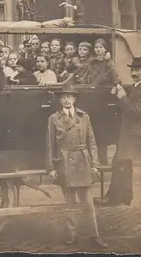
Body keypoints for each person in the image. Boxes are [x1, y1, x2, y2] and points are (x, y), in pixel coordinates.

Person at [46, 83, 107, 248]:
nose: (66, 99)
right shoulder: (53, 119)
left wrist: (95, 164)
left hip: (82, 163)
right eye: (63, 96)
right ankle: (71, 234)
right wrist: (51, 167)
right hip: (64, 163)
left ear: (74, 99)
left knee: (88, 203)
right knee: (70, 204)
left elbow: (92, 142)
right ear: (60, 100)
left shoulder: (84, 117)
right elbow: (49, 145)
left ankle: (94, 236)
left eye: (70, 96)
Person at [100, 57, 141, 206]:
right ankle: (125, 196)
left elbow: (136, 111)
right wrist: (118, 89)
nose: (134, 73)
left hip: (135, 135)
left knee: (120, 163)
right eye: (132, 70)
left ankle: (112, 199)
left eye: (137, 70)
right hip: (129, 133)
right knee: (123, 164)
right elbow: (128, 90)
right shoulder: (136, 86)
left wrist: (123, 97)